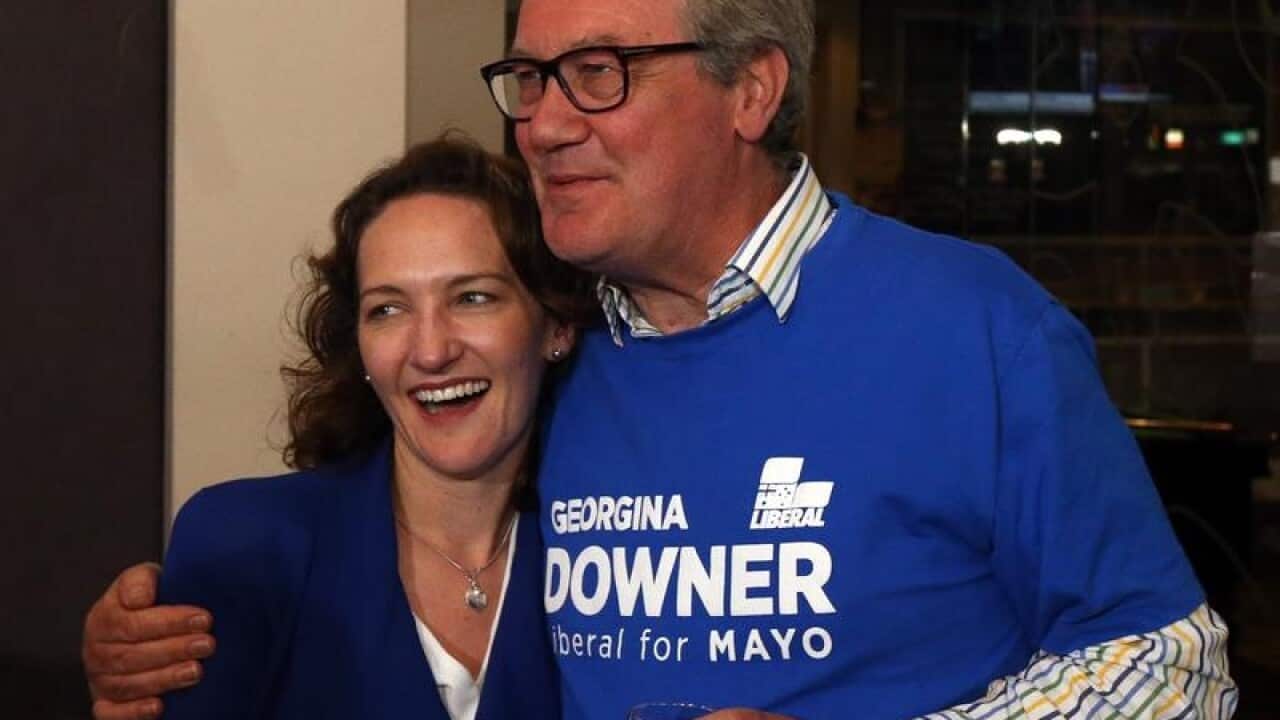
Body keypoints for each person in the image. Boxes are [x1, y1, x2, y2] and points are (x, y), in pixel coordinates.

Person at [84, 1, 1239, 719]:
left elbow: (1172, 668)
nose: (542, 123)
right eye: (528, 80)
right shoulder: (552, 356)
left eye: (599, 71)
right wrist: (159, 644)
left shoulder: (974, 326)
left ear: (751, 89)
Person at [90, 135, 596, 720]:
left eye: (473, 298)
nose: (431, 351)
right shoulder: (243, 546)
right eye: (388, 309)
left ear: (556, 325)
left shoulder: (614, 556)